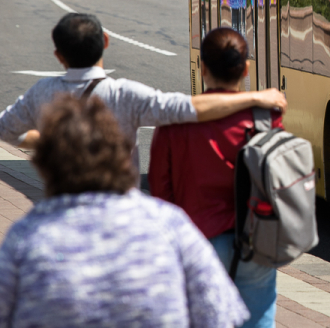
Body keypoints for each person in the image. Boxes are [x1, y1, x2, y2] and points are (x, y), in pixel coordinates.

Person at [0, 94, 249, 328]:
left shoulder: (24, 239)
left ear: (44, 167)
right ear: (121, 154)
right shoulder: (170, 225)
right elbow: (218, 315)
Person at [0, 13, 287, 170]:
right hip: (120, 211)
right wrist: (253, 96)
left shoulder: (42, 92)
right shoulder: (124, 94)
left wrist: (50, 140)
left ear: (58, 55)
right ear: (106, 42)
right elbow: (188, 108)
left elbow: (7, 130)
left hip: (62, 211)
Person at [149, 28, 281, 328]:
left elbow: (161, 192)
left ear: (203, 68)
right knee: (257, 318)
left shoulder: (174, 122)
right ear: (246, 69)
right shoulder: (266, 118)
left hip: (196, 240)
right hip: (255, 238)